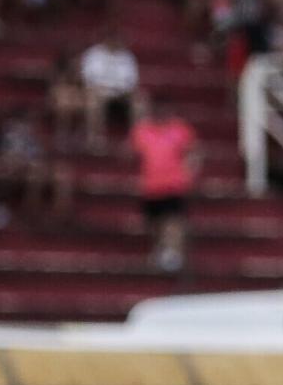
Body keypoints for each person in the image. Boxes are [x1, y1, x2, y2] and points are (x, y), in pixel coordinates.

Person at [129, 97, 198, 272]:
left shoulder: (180, 129)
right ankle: (160, 250)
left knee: (173, 220)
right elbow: (134, 155)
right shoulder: (142, 130)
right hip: (151, 185)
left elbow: (194, 152)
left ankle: (174, 253)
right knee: (155, 223)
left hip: (174, 183)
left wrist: (189, 172)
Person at [80, 30, 139, 150]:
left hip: (121, 94)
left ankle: (135, 140)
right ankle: (95, 139)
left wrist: (123, 91)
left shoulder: (127, 56)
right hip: (99, 92)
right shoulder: (93, 54)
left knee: (140, 103)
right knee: (93, 101)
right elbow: (88, 79)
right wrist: (102, 89)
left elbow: (132, 82)